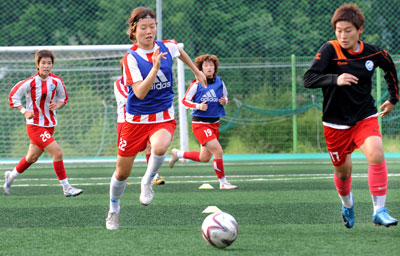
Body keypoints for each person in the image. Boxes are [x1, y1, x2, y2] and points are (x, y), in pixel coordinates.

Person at [106, 6, 206, 230]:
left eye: (152, 26)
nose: (149, 31)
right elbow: (140, 92)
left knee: (160, 147)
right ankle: (114, 209)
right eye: (144, 27)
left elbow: (179, 51)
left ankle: (147, 181)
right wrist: (155, 67)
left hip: (162, 116)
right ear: (134, 30)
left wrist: (196, 71)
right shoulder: (130, 59)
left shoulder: (166, 46)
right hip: (135, 121)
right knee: (122, 173)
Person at [303, 3, 399, 228]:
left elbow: (389, 68)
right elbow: (308, 79)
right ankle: (347, 204)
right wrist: (335, 79)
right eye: (338, 30)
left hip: (364, 117)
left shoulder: (373, 52)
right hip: (335, 124)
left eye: (348, 30)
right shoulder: (329, 50)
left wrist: (393, 97)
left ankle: (379, 210)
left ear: (360, 30)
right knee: (343, 173)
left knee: (376, 153)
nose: (343, 35)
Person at [5, 49, 83, 197]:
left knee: (31, 158)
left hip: (50, 125)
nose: (46, 66)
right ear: (37, 65)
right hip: (34, 126)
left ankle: (11, 176)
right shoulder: (30, 82)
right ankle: (66, 187)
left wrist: (57, 105)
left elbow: (63, 98)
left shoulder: (56, 81)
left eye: (49, 63)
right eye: (43, 63)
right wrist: (24, 111)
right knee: (57, 152)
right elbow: (13, 96)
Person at [169, 54, 237, 190]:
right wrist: (198, 106)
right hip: (200, 124)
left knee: (205, 157)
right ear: (200, 69)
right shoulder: (196, 84)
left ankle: (178, 154)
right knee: (218, 151)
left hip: (214, 123)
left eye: (211, 65)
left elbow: (226, 97)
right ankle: (223, 182)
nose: (209, 68)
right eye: (206, 65)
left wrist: (225, 101)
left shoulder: (220, 82)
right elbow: (184, 101)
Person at [114, 59, 165, 185]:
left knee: (149, 146)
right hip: (125, 122)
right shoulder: (119, 83)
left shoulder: (143, 80)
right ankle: (121, 176)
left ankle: (154, 176)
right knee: (126, 151)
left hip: (143, 120)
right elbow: (128, 99)